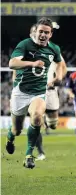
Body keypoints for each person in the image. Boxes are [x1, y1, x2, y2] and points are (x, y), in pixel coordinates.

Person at [6, 17, 63, 169]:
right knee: (17, 130)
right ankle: (10, 137)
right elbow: (12, 63)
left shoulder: (54, 49)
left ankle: (29, 155)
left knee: (37, 116)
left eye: (46, 32)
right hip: (21, 92)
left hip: (38, 92)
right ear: (35, 31)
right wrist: (32, 63)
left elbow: (60, 63)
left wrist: (58, 76)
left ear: (50, 34)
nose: (43, 35)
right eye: (40, 31)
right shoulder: (25, 44)